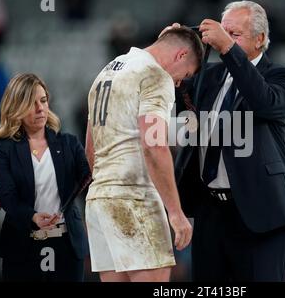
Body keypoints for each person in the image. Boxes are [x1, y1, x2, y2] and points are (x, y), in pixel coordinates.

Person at [173, 0, 285, 281]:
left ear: (260, 39)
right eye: (223, 33)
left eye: (235, 35)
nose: (224, 41)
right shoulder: (208, 76)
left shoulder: (280, 76)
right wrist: (174, 46)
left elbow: (264, 102)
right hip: (210, 210)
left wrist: (228, 49)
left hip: (261, 213)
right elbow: (178, 107)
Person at [85, 26, 203, 282]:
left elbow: (90, 148)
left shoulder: (108, 70)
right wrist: (175, 212)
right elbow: (154, 145)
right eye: (186, 74)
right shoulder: (155, 75)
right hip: (134, 196)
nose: (180, 82)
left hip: (99, 200)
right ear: (181, 55)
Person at [0, 73, 90, 281]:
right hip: (21, 247)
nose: (40, 108)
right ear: (16, 108)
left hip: (66, 245)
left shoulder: (69, 144)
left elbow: (88, 181)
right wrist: (33, 217)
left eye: (43, 101)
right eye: (31, 103)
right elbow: (8, 196)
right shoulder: (3, 149)